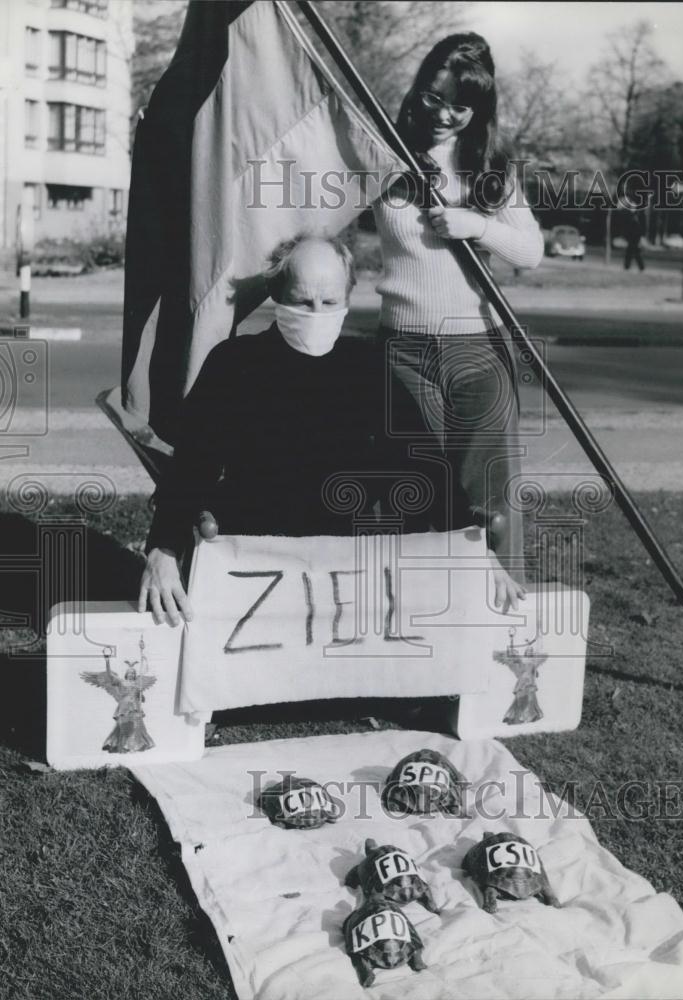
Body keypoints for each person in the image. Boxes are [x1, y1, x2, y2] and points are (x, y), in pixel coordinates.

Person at [138, 235, 446, 626]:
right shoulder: (234, 363)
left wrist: (472, 543)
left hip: (341, 566)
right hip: (251, 559)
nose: (316, 313)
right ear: (277, 294)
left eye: (329, 302)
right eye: (302, 302)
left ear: (347, 297)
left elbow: (424, 465)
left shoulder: (367, 367)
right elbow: (192, 465)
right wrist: (164, 549)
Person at [373, 32, 544, 608]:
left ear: (479, 109)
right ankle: (422, 621)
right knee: (416, 489)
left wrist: (477, 225)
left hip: (477, 350)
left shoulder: (489, 169)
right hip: (403, 349)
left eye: (460, 105)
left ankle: (499, 626)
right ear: (417, 90)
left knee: (488, 496)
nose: (443, 114)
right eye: (433, 97)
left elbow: (531, 251)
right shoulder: (385, 153)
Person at [622, 200, 645, 271]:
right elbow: (627, 227)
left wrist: (640, 236)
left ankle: (629, 266)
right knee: (632, 252)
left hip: (636, 237)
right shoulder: (629, 215)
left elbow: (640, 227)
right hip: (631, 237)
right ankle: (637, 267)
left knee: (633, 252)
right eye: (631, 207)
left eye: (633, 207)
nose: (632, 208)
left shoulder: (637, 215)